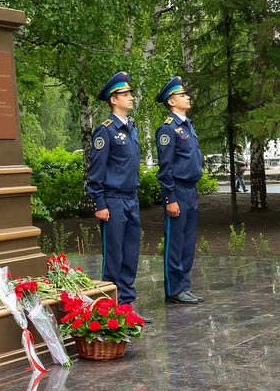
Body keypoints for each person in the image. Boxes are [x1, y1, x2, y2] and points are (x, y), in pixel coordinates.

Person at [84, 72, 145, 317]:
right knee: (114, 256)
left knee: (131, 253)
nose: (131, 97)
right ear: (113, 99)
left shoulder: (132, 129)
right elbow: (96, 171)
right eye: (125, 94)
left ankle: (127, 307)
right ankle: (111, 309)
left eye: (130, 93)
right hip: (113, 201)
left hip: (131, 199)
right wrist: (100, 202)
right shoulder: (106, 131)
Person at [155, 76, 204, 305]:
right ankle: (174, 289)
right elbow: (166, 168)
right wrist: (170, 198)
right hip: (178, 190)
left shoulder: (188, 125)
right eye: (182, 95)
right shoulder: (168, 129)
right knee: (175, 242)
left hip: (191, 190)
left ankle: (184, 286)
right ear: (172, 102)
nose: (187, 97)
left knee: (187, 242)